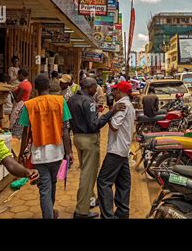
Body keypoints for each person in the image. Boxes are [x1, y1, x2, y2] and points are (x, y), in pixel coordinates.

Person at [67, 77, 126, 219]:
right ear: (90, 87)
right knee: (87, 176)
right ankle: (81, 211)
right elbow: (95, 124)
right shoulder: (89, 102)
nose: (97, 90)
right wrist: (111, 112)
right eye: (95, 87)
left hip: (77, 138)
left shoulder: (71, 99)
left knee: (85, 172)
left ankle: (88, 200)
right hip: (89, 140)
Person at [18, 74, 72, 219]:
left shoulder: (29, 105)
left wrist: (21, 153)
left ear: (35, 89)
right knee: (52, 184)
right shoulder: (60, 101)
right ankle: (50, 212)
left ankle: (48, 214)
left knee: (44, 188)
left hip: (39, 155)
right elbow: (65, 130)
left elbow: (25, 133)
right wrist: (69, 152)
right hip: (57, 153)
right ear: (49, 87)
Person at [97, 81, 136, 219]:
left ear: (120, 91)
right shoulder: (129, 105)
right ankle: (122, 213)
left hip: (116, 150)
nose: (113, 93)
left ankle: (108, 216)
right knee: (123, 183)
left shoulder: (122, 105)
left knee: (103, 182)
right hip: (123, 149)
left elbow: (114, 126)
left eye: (115, 90)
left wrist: (110, 112)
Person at [10, 69, 32, 139]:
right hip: (25, 105)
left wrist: (11, 90)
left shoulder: (23, 85)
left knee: (16, 126)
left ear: (21, 75)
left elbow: (17, 99)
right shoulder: (28, 84)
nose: (17, 77)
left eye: (18, 75)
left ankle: (15, 145)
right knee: (21, 127)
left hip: (20, 105)